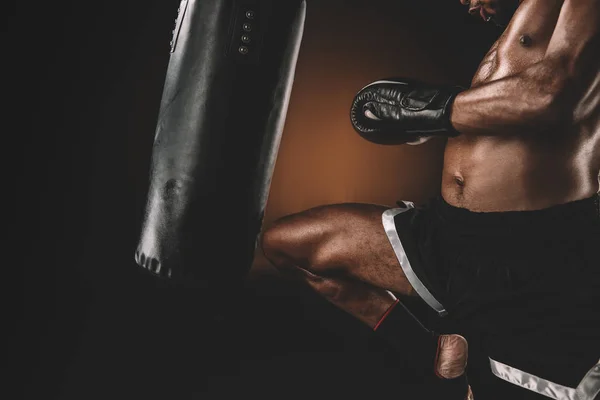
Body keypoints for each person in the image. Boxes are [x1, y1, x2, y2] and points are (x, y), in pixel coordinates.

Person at [260, 0, 600, 398]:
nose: (468, 4)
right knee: (287, 245)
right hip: (445, 234)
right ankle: (434, 348)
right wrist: (429, 118)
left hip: (527, 251)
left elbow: (546, 96)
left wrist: (423, 108)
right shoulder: (528, 19)